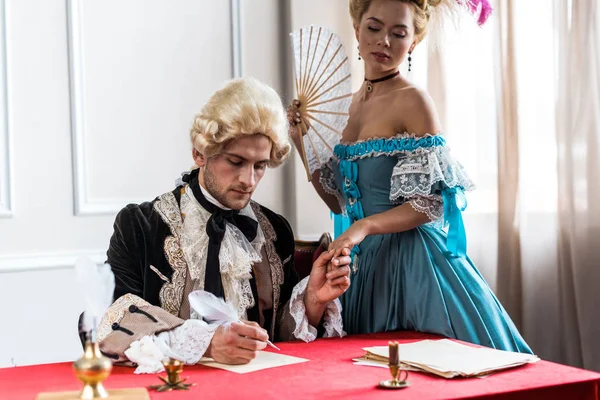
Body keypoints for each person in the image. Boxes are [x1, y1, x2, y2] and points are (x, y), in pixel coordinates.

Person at [287, 0, 532, 353]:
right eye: (373, 28)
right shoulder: (348, 106)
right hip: (363, 266)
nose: (384, 41)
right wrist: (301, 141)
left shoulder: (414, 100)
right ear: (357, 30)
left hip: (414, 264)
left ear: (413, 42)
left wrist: (364, 227)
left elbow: (430, 204)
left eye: (398, 33)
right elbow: (341, 202)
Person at [95, 77, 352, 371]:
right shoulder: (139, 225)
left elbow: (277, 339)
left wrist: (312, 301)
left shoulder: (273, 229)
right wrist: (207, 342)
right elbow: (114, 324)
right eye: (235, 161)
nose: (249, 180)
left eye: (260, 166)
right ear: (200, 153)